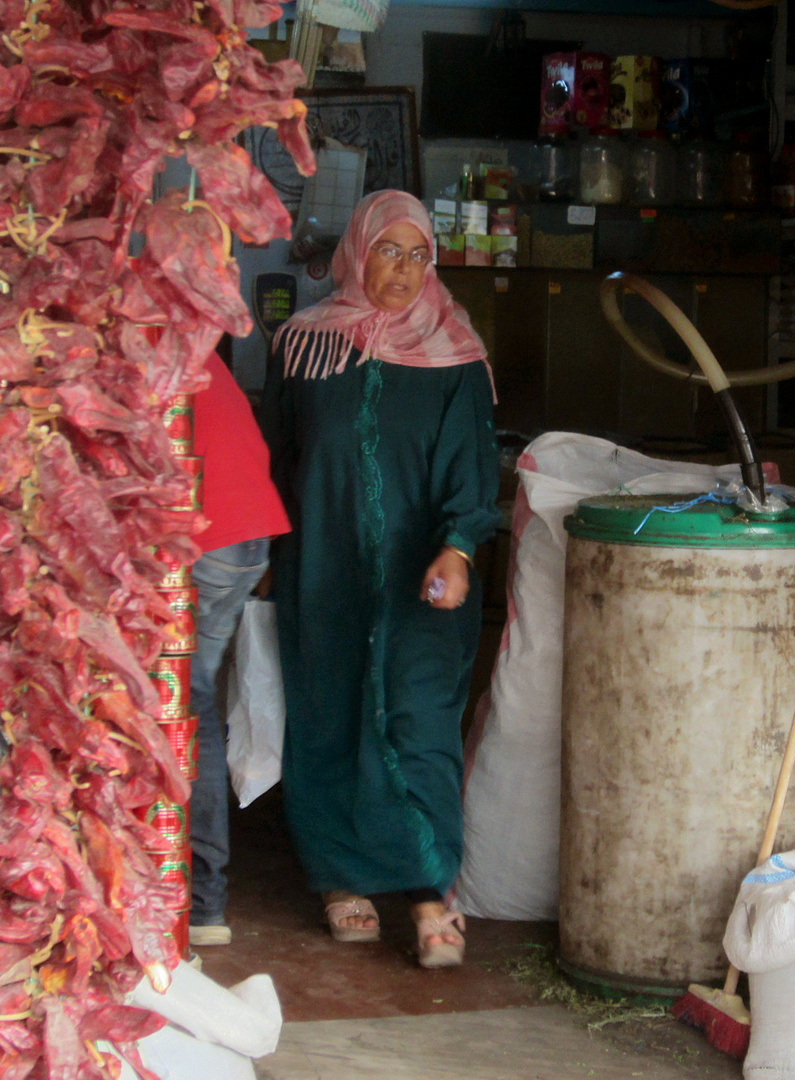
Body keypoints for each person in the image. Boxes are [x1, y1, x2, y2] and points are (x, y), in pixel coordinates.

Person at [261, 190, 498, 969]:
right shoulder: (303, 346)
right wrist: (265, 557)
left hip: (423, 576)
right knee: (328, 718)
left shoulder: (455, 353)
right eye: (389, 251)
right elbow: (280, 457)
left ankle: (430, 891)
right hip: (322, 570)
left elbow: (473, 466)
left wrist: (458, 547)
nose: (403, 269)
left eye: (419, 253)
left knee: (419, 724)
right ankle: (339, 878)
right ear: (358, 252)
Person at [188, 351, 291, 948]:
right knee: (192, 709)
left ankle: (187, 903)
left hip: (205, 533)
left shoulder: (115, 340)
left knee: (174, 709)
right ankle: (204, 908)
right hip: (245, 531)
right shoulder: (179, 334)